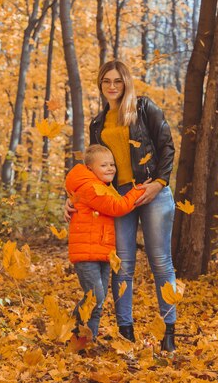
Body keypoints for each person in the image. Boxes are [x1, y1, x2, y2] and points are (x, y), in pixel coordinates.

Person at [66, 60, 178, 352]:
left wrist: (159, 183)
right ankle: (125, 333)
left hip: (152, 190)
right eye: (106, 81)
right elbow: (92, 169)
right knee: (123, 266)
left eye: (117, 80)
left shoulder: (144, 108)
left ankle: (169, 333)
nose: (112, 86)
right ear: (101, 85)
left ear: (126, 82)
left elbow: (167, 146)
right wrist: (73, 197)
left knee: (160, 263)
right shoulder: (97, 123)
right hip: (118, 197)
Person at [65, 144, 145, 339]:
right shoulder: (92, 189)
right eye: (104, 165)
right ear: (91, 169)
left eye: (112, 164)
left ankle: (86, 340)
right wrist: (138, 190)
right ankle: (73, 327)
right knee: (96, 297)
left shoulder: (101, 186)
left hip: (101, 251)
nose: (110, 168)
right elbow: (118, 207)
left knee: (97, 302)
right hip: (87, 254)